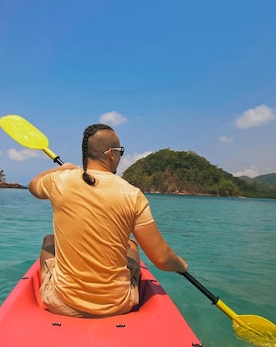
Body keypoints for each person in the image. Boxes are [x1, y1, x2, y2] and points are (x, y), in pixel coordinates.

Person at [28, 123, 188, 318]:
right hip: (118, 304)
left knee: (49, 240)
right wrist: (181, 265)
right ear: (111, 153)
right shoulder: (132, 194)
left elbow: (33, 185)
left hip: (63, 302)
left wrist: (60, 171)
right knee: (132, 245)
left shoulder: (60, 180)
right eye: (121, 151)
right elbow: (162, 259)